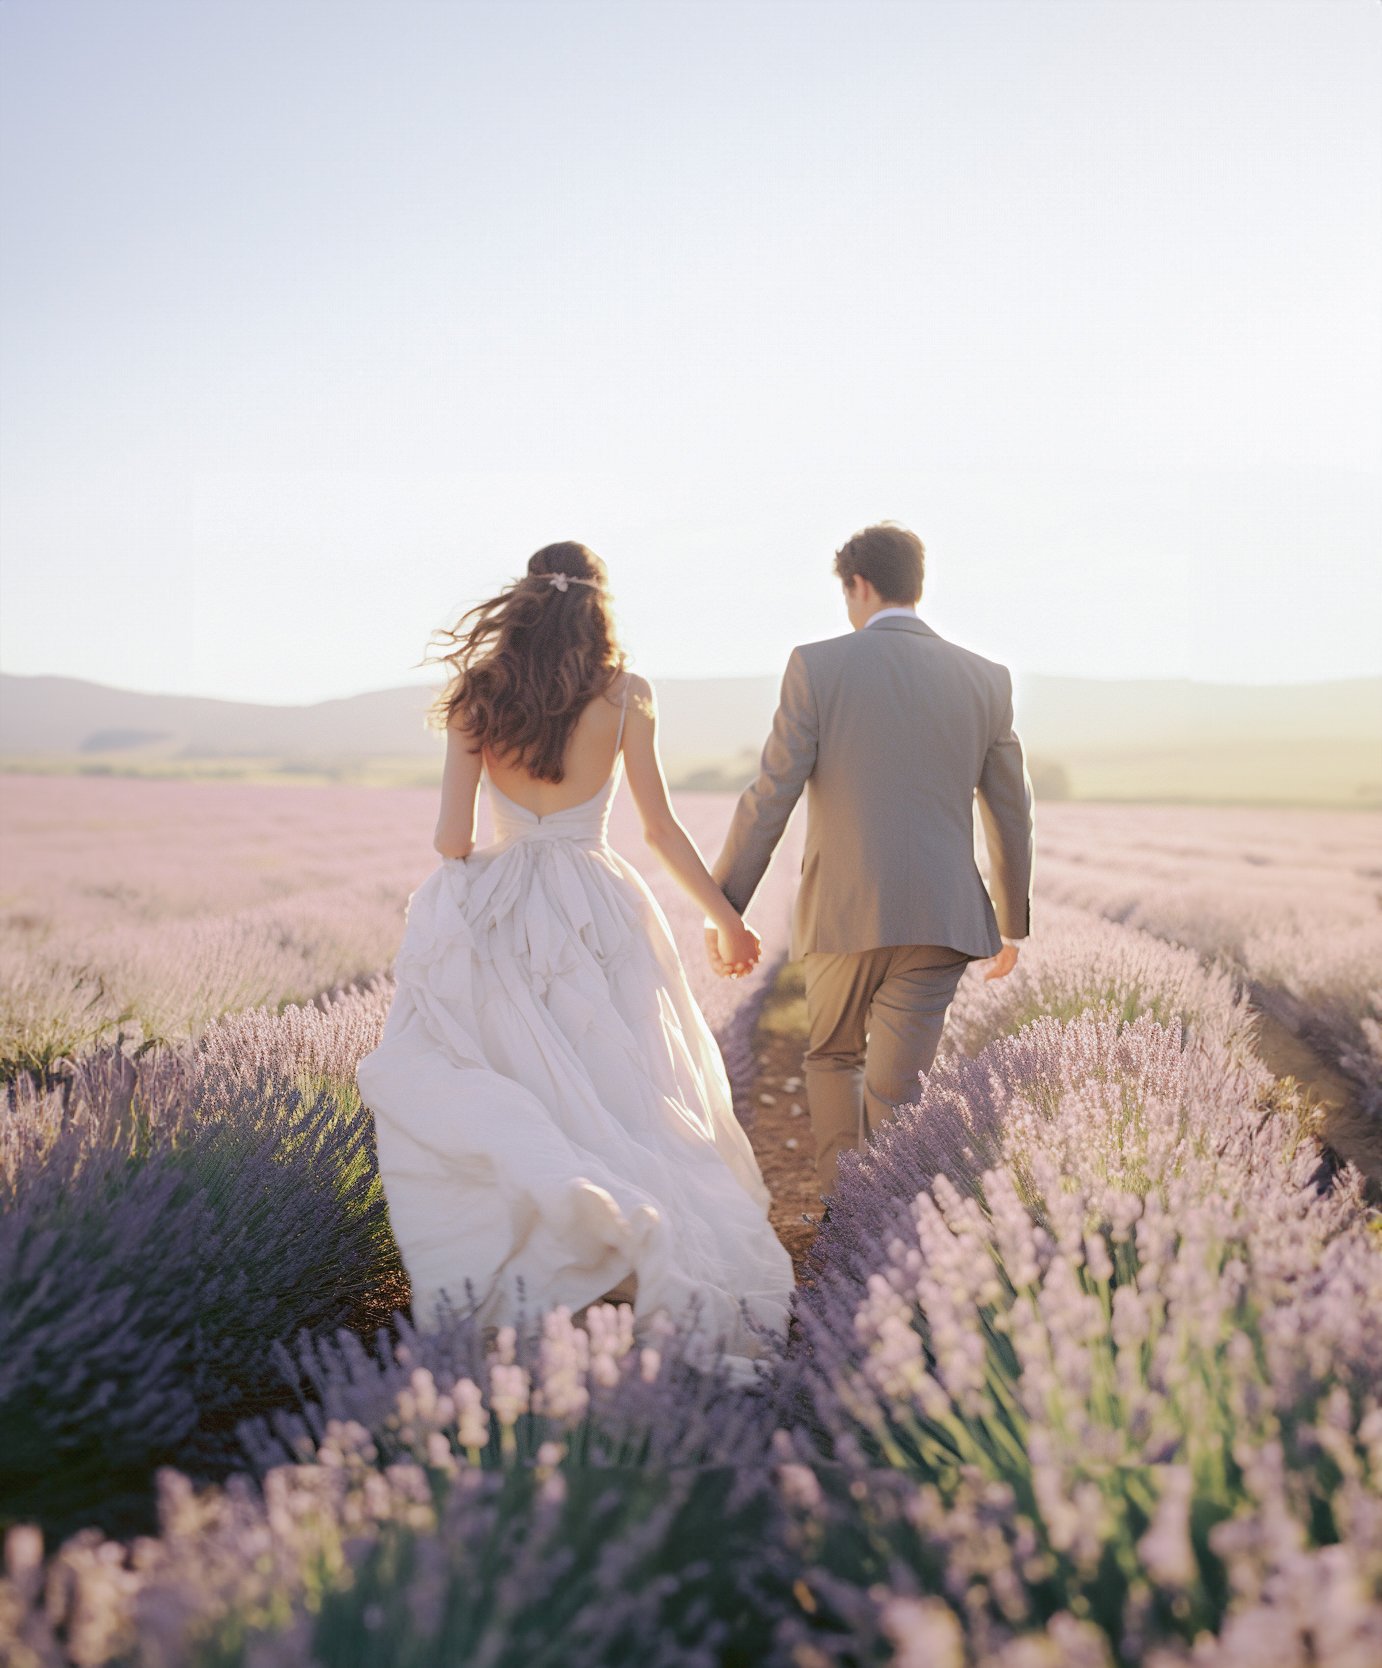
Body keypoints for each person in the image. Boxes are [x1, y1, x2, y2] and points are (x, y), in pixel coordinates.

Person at [355, 541, 794, 1385]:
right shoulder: (626, 694)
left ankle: (562, 1252)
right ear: (598, 605)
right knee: (626, 1092)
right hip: (596, 903)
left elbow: (452, 839)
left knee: (525, 1085)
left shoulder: (477, 695)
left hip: (498, 908)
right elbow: (660, 829)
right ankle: (627, 1260)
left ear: (522, 599)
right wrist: (727, 920)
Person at [708, 521, 1035, 1214]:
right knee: (900, 1090)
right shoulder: (986, 677)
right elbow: (1011, 809)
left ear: (858, 585)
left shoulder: (818, 666)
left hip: (843, 909)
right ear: (918, 583)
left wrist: (726, 906)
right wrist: (1013, 923)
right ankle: (886, 1221)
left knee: (831, 1057)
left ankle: (841, 1213)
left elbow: (773, 792)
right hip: (942, 916)